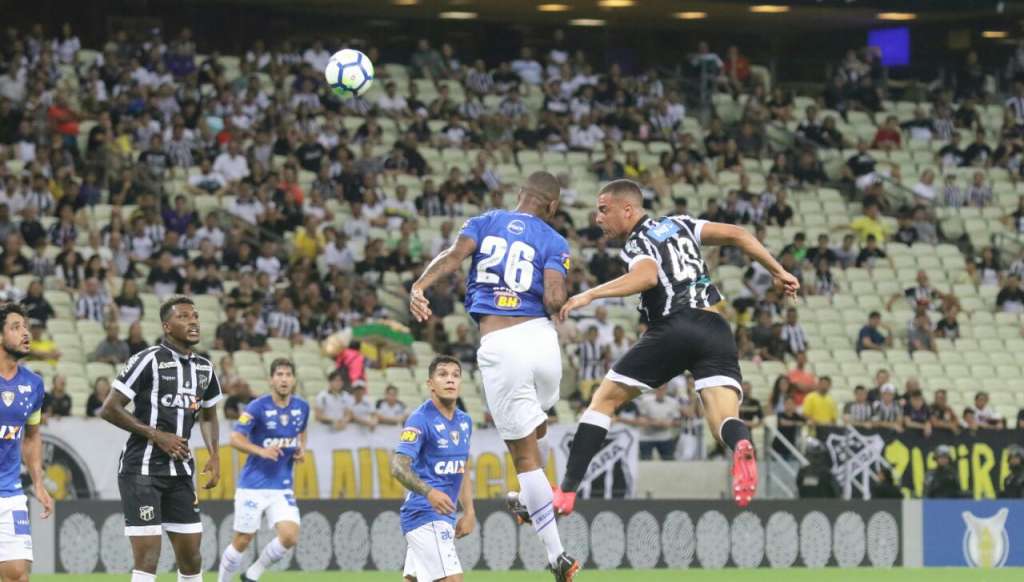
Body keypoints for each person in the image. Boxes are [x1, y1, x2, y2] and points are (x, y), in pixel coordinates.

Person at [555, 179, 800, 511]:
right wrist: (778, 271)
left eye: (603, 210)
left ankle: (567, 492)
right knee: (722, 421)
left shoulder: (637, 241)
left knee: (603, 402)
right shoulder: (680, 224)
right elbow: (739, 234)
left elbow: (646, 277)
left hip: (675, 326)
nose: (597, 218)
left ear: (627, 210)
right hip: (715, 327)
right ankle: (742, 443)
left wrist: (589, 294)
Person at [408, 172, 579, 579]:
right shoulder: (555, 241)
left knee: (525, 457)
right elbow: (554, 298)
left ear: (519, 194)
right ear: (552, 206)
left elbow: (453, 257)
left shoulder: (485, 221)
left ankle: (556, 556)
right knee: (538, 423)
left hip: (502, 345)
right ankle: (526, 499)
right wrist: (562, 295)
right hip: (544, 344)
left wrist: (419, 285)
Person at [99, 296, 222, 582]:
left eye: (195, 316)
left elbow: (208, 415)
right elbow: (109, 408)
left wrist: (214, 454)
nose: (193, 321)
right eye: (184, 317)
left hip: (180, 472)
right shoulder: (148, 360)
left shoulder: (205, 368)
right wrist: (156, 435)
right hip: (141, 471)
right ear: (167, 326)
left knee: (192, 558)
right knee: (148, 558)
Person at [218, 358, 308, 582]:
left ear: (294, 380)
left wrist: (301, 449)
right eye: (279, 375)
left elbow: (302, 430)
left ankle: (252, 574)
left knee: (290, 536)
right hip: (253, 485)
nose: (284, 379)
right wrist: (261, 451)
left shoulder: (302, 407)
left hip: (282, 487)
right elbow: (235, 438)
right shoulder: (257, 407)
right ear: (271, 380)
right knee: (243, 539)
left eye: (288, 375)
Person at [390, 356, 475, 582]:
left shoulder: (465, 421)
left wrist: (469, 512)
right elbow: (398, 467)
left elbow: (462, 467)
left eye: (455, 375)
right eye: (443, 374)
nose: (450, 380)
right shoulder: (419, 419)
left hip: (444, 516)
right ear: (430, 384)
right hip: (423, 514)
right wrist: (429, 492)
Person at [0, 303, 53, 580]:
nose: (25, 333)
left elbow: (31, 436)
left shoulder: (33, 384)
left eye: (26, 327)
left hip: (10, 494)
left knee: (18, 574)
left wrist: (39, 483)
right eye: (15, 327)